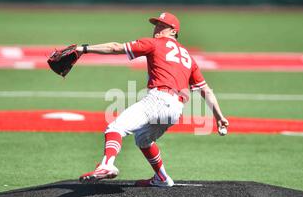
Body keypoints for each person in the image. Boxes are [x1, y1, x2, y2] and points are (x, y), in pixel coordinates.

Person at [77, 12, 228, 187]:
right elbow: (206, 90)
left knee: (115, 127)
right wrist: (219, 117)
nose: (157, 28)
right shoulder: (188, 58)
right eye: (156, 24)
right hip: (175, 109)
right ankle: (162, 178)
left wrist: (83, 49)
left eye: (162, 25)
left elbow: (115, 47)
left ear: (173, 31)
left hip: (158, 99)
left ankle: (106, 165)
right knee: (143, 139)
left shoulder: (155, 43)